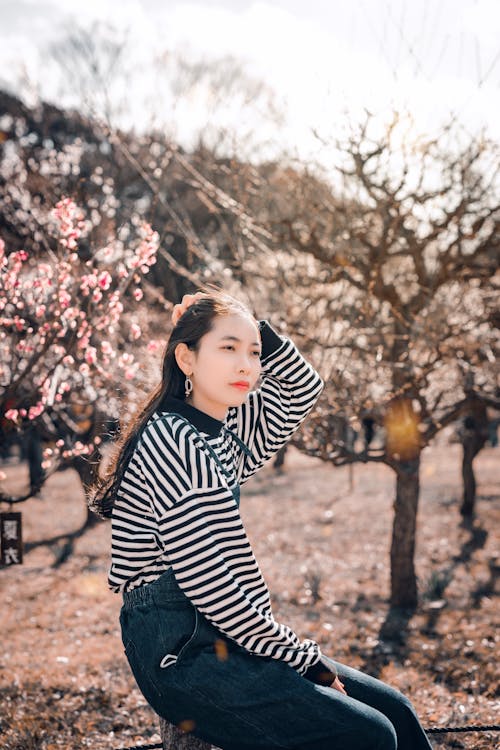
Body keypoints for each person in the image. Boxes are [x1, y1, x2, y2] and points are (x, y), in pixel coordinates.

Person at [90, 288, 433, 750]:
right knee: (369, 735)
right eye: (227, 349)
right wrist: (304, 659)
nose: (246, 365)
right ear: (186, 360)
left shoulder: (224, 431)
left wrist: (252, 324)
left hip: (227, 633)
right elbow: (211, 586)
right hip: (182, 652)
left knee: (397, 712)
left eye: (253, 353)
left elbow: (303, 387)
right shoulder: (173, 442)